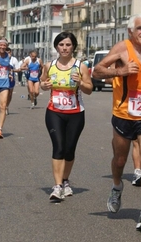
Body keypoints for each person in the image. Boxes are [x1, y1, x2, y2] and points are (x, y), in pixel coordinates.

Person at [92, 14, 141, 231]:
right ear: (131, 31)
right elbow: (96, 71)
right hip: (124, 114)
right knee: (119, 160)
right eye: (140, 28)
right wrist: (120, 71)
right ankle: (117, 186)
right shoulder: (122, 48)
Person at [40, 32, 93, 200]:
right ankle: (57, 187)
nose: (64, 48)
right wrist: (45, 85)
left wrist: (81, 83)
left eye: (68, 45)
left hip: (75, 113)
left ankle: (65, 180)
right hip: (54, 112)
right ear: (56, 47)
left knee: (69, 150)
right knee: (58, 147)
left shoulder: (80, 66)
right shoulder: (49, 66)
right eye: (61, 45)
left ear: (73, 47)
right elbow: (42, 83)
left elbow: (89, 89)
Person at [5, 47, 20, 115]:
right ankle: (4, 107)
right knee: (4, 94)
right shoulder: (2, 59)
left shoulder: (14, 60)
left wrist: (12, 70)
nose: (8, 54)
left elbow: (18, 69)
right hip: (3, 79)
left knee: (10, 94)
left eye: (9, 52)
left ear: (11, 52)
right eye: (6, 52)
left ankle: (7, 106)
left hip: (11, 79)